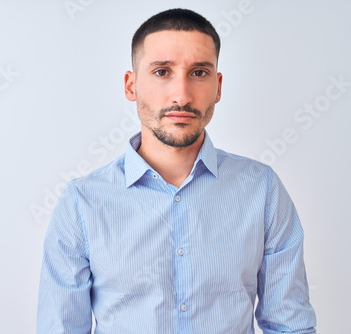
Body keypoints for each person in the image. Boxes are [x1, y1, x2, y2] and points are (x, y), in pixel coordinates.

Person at [37, 8, 317, 334]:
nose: (182, 95)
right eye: (161, 72)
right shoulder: (81, 202)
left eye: (199, 73)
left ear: (218, 86)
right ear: (131, 86)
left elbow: (290, 325)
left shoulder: (261, 189)